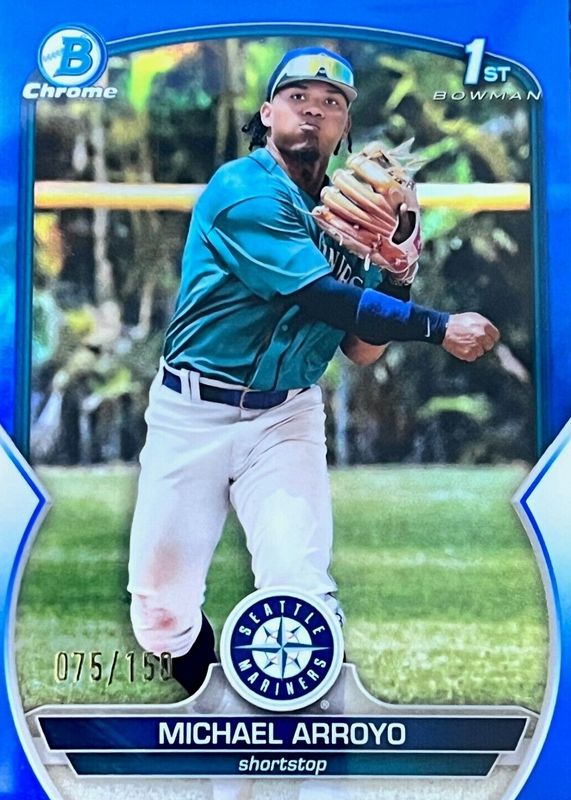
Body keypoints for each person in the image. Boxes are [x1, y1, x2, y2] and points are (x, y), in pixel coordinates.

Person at [127, 46, 500, 696]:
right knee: (161, 616)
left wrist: (398, 270)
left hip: (285, 418)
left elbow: (361, 348)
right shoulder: (241, 191)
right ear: (266, 113)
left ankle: (297, 731)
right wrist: (438, 326)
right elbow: (324, 298)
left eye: (331, 103)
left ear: (344, 126)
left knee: (300, 591)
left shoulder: (350, 218)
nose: (314, 110)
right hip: (192, 413)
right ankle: (214, 699)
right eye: (298, 97)